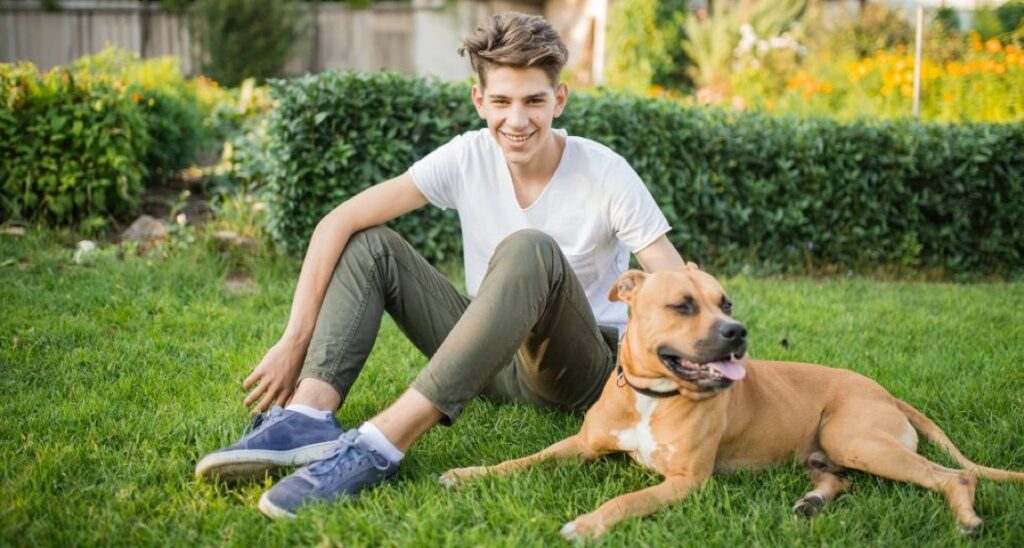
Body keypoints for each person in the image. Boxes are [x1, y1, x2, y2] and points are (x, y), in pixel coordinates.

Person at [194, 11, 685, 519]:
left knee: (528, 248)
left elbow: (673, 285)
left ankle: (379, 446)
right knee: (372, 245)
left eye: (534, 100)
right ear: (480, 101)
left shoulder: (604, 172)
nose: (517, 120)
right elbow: (337, 223)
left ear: (558, 99)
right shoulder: (466, 157)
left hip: (576, 370)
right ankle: (308, 416)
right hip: (491, 361)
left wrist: (700, 363)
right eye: (501, 101)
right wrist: (295, 340)